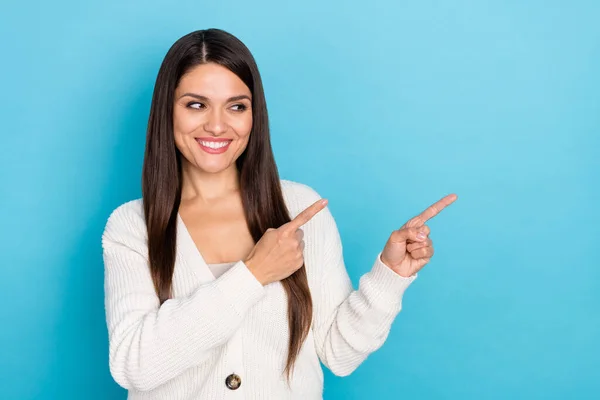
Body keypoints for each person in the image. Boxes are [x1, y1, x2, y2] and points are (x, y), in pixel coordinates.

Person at [101, 28, 457, 400]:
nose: (218, 125)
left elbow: (339, 353)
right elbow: (133, 365)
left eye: (237, 106)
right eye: (196, 104)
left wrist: (390, 275)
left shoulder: (301, 209)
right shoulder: (132, 227)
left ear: (255, 115)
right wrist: (254, 274)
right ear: (167, 111)